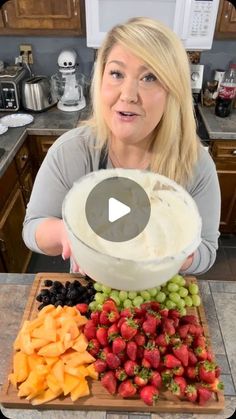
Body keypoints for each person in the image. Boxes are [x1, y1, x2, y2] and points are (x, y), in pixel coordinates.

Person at [23, 17, 221, 275]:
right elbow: (32, 228)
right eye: (116, 73)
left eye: (149, 77)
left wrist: (172, 255)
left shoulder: (195, 164)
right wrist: (64, 232)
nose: (128, 94)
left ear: (173, 91)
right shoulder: (71, 152)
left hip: (157, 300)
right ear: (101, 79)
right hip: (93, 303)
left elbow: (206, 250)